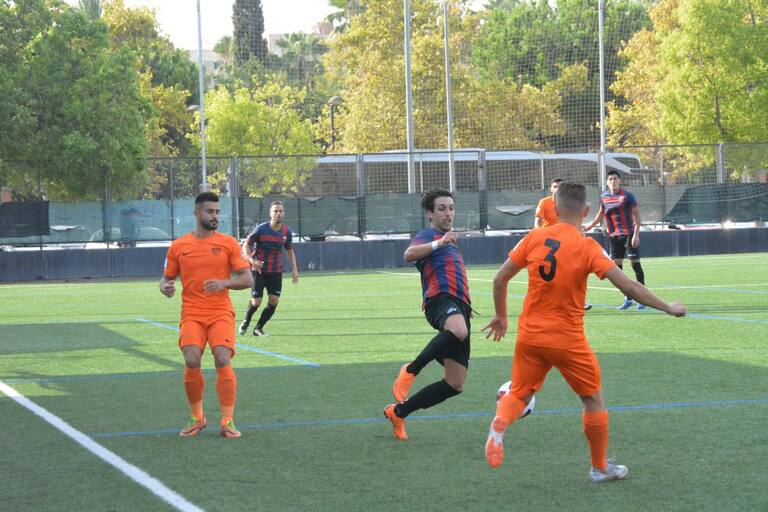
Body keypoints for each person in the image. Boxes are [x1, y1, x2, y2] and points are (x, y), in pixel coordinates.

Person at [481, 182, 685, 482]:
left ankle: (501, 420)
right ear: (587, 211)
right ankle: (599, 468)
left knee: (521, 393)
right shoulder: (586, 246)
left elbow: (499, 279)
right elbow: (628, 286)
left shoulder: (534, 237)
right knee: (592, 400)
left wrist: (501, 315)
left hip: (530, 335)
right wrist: (668, 306)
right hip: (567, 339)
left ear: (554, 206)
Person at [160, 192, 253, 439]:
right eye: (210, 212)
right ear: (197, 213)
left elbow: (248, 279)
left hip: (220, 312)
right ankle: (197, 417)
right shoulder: (179, 246)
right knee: (191, 360)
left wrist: (224, 283)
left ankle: (227, 421)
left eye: (217, 212)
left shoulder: (228, 243)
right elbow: (166, 280)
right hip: (191, 313)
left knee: (222, 358)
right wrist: (166, 288)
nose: (215, 216)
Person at [383, 189, 472, 441]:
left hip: (460, 307)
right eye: (441, 208)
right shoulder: (428, 235)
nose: (448, 213)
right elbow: (408, 255)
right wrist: (439, 243)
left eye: (451, 208)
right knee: (458, 330)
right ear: (430, 214)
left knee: (455, 384)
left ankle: (398, 412)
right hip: (439, 300)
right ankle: (410, 370)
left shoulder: (451, 242)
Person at [583, 170, 646, 310]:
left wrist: (636, 234)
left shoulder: (627, 196)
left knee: (635, 265)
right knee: (616, 268)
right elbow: (601, 214)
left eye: (615, 178)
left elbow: (637, 215)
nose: (613, 181)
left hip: (628, 233)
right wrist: (590, 226)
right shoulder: (604, 197)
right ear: (607, 182)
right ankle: (628, 298)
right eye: (610, 179)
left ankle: (642, 298)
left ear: (620, 181)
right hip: (613, 236)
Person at [239, 200, 299, 337]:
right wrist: (251, 260)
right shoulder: (261, 229)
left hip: (275, 271)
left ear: (284, 213)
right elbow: (246, 245)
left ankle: (258, 328)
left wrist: (294, 269)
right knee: (256, 302)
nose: (278, 214)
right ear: (270, 213)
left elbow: (290, 252)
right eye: (275, 211)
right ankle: (246, 321)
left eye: (280, 211)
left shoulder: (286, 232)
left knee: (274, 301)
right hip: (258, 270)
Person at [535, 177, 592, 311]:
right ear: (550, 189)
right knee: (547, 274)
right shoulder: (544, 202)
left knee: (572, 271)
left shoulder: (569, 204)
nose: (557, 189)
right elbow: (537, 221)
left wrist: (579, 233)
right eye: (555, 186)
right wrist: (538, 234)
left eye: (560, 187)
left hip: (566, 241)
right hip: (549, 243)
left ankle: (578, 300)